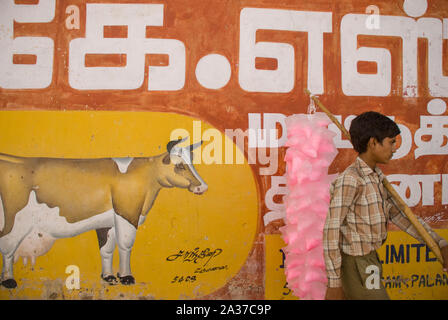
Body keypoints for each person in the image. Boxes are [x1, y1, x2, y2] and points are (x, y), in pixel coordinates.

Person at [323, 111, 448, 300]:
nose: (395, 148)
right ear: (373, 143)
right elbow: (331, 231)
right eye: (391, 142)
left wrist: (439, 243)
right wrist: (334, 282)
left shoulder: (377, 178)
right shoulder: (351, 179)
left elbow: (401, 216)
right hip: (355, 263)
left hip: (370, 260)